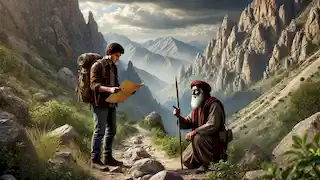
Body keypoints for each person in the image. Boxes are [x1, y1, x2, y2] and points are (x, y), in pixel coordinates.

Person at [173, 80, 228, 174]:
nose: (194, 93)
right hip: (203, 140)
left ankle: (209, 164)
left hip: (215, 141)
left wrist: (195, 131)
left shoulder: (214, 105)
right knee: (186, 160)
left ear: (203, 92)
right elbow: (188, 122)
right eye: (192, 91)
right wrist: (179, 116)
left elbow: (213, 124)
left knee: (197, 137)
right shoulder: (197, 108)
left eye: (196, 91)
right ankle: (203, 160)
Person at [90, 43, 124, 170]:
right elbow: (94, 85)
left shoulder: (113, 67)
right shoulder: (97, 66)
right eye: (116, 55)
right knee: (99, 131)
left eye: (119, 56)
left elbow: (116, 84)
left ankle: (107, 157)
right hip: (100, 104)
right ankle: (95, 160)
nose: (118, 58)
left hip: (112, 103)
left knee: (112, 130)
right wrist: (109, 90)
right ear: (109, 53)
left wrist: (124, 90)